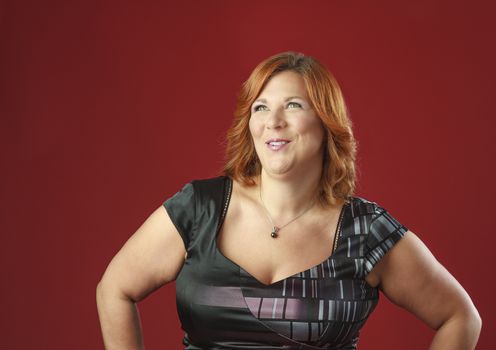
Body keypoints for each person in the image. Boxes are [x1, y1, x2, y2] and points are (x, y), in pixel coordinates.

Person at [96, 52, 482, 349]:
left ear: (326, 121)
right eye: (260, 107)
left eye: (293, 106)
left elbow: (460, 317)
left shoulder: (365, 231)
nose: (273, 122)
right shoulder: (200, 208)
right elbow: (115, 288)